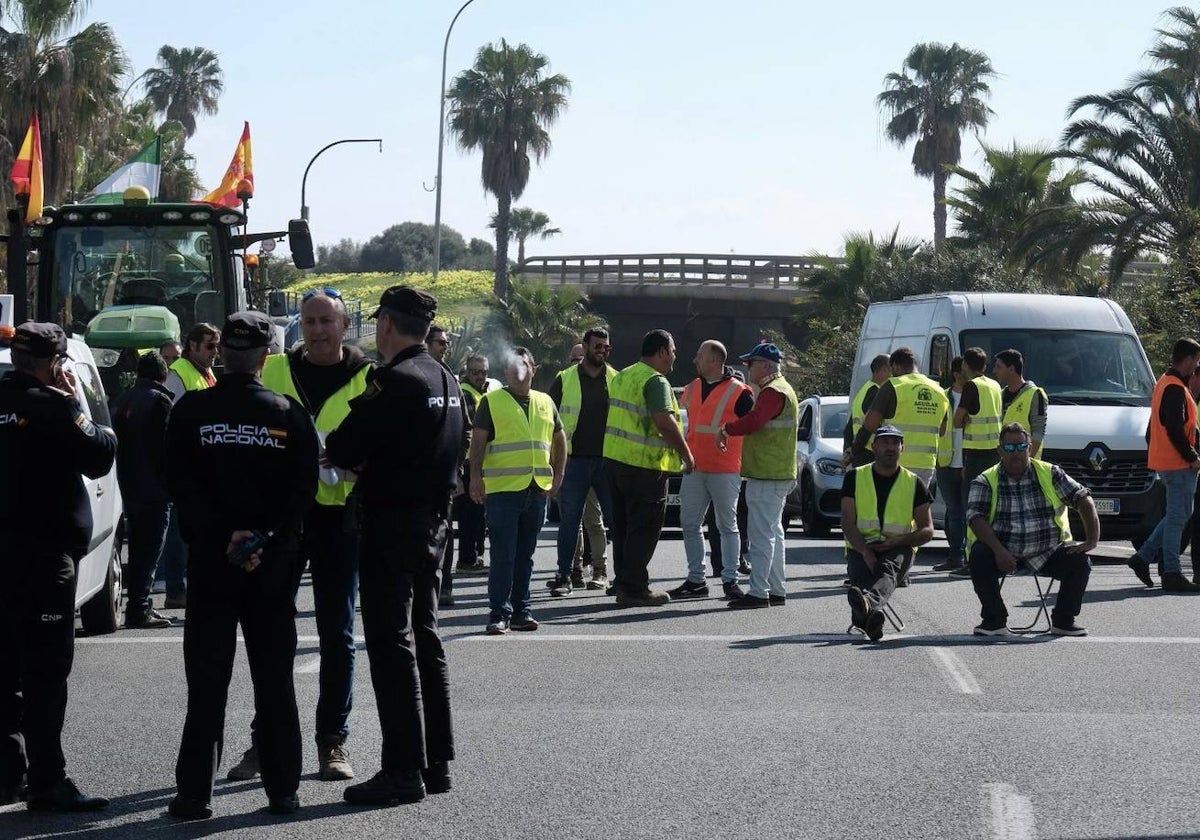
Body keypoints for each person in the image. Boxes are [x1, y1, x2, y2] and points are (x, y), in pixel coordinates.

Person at [166, 312, 319, 820]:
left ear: (222, 355)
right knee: (274, 679)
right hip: (270, 566)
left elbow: (179, 487)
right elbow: (303, 491)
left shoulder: (191, 411)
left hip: (212, 564)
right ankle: (282, 790)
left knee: (207, 682)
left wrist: (222, 537)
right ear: (264, 357)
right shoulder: (288, 413)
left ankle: (193, 794)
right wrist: (261, 537)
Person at [325, 285, 467, 807]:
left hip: (392, 524)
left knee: (391, 645)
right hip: (431, 524)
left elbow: (343, 445)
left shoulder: (394, 381)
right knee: (425, 638)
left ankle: (402, 768)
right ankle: (436, 761)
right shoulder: (445, 378)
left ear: (385, 324)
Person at [223, 289, 371, 784]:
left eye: (326, 321)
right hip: (281, 518)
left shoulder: (369, 379)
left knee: (338, 634)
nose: (317, 329)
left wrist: (354, 458)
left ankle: (333, 740)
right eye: (309, 320)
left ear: (345, 326)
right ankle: (267, 740)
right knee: (271, 634)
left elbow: (387, 446)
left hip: (338, 519)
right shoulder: (277, 370)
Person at [0, 322, 117, 812]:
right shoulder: (55, 404)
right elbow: (99, 457)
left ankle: (7, 776)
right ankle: (47, 781)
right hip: (45, 559)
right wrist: (83, 412)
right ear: (56, 362)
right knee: (47, 673)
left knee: (3, 667)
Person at [966, 422, 1097, 637]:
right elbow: (975, 518)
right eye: (1009, 448)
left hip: (1048, 552)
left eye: (1020, 447)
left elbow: (1083, 498)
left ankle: (1064, 621)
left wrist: (1091, 541)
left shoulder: (1050, 473)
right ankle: (994, 621)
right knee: (979, 555)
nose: (1015, 453)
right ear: (1000, 451)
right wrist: (999, 551)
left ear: (1029, 448)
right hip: (1004, 552)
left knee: (1080, 562)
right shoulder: (985, 480)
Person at [469, 348, 567, 633]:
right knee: (503, 555)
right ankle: (498, 613)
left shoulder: (545, 401)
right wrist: (475, 477)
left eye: (522, 365)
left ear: (532, 369)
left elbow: (559, 438)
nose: (516, 370)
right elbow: (477, 443)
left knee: (526, 556)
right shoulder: (492, 401)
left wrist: (558, 473)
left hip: (536, 490)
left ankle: (522, 611)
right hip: (503, 491)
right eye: (511, 366)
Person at [604, 329, 694, 607]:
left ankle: (623, 581)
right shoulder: (656, 381)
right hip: (643, 465)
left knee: (623, 527)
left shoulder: (623, 375)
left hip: (614, 461)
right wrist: (687, 455)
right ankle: (634, 588)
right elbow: (664, 421)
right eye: (673, 351)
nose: (675, 357)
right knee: (644, 527)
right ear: (662, 351)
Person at [669, 340, 753, 601]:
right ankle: (696, 580)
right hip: (695, 466)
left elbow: (751, 425)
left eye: (700, 355)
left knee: (727, 526)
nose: (695, 359)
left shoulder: (740, 391)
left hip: (725, 468)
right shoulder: (691, 388)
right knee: (689, 523)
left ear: (715, 361)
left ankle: (730, 580)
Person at [720, 341, 799, 609]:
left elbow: (754, 422)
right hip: (776, 473)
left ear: (765, 365)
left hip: (767, 474)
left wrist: (727, 429)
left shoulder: (772, 392)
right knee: (773, 533)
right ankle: (776, 589)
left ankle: (759, 592)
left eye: (751, 363)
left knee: (762, 535)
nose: (748, 368)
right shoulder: (782, 389)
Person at [842, 425, 934, 641]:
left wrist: (896, 542)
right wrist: (865, 551)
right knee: (863, 574)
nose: (890, 447)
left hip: (899, 548)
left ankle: (867, 603)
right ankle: (871, 617)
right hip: (861, 546)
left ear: (902, 448)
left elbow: (927, 529)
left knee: (886, 568)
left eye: (895, 442)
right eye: (885, 442)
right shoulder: (854, 477)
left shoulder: (914, 483)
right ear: (874, 447)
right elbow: (847, 521)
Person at [546, 328, 615, 596]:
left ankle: (609, 575)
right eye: (597, 346)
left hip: (607, 462)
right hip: (574, 462)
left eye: (606, 347)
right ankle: (565, 576)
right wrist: (553, 462)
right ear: (585, 347)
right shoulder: (564, 380)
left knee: (613, 520)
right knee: (569, 522)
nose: (602, 350)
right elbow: (549, 422)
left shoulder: (616, 379)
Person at [1128, 337, 1200, 592]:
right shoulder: (1175, 388)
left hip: (1166, 461)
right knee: (1177, 518)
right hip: (1178, 463)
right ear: (1189, 359)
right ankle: (1171, 572)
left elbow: (1152, 430)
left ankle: (1143, 557)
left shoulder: (1164, 383)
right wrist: (1191, 456)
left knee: (1175, 515)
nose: (1196, 366)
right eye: (1196, 360)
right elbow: (1173, 428)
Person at [110, 350, 174, 629]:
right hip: (154, 489)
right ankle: (139, 607)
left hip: (125, 486)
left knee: (136, 550)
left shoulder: (122, 399)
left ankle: (140, 604)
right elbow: (167, 448)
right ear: (164, 375)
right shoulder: (160, 401)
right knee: (148, 551)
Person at [160, 323, 221, 610]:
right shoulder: (179, 373)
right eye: (210, 346)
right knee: (179, 532)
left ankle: (190, 585)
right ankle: (176, 589)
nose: (215, 352)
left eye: (217, 345)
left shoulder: (205, 373)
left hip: (205, 465)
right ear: (193, 345)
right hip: (187, 464)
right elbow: (167, 419)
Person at [852, 346, 949, 492]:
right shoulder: (939, 391)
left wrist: (855, 449)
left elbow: (870, 424)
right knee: (916, 509)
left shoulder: (893, 386)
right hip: (926, 464)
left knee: (893, 509)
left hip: (894, 461)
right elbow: (942, 431)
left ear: (895, 366)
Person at [454, 354, 491, 579]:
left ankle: (473, 557)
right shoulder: (466, 393)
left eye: (483, 372)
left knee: (477, 515)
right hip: (469, 463)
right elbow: (469, 429)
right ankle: (467, 559)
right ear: (467, 372)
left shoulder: (482, 393)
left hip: (479, 462)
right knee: (471, 514)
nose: (480, 376)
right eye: (475, 372)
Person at [933, 356, 969, 574]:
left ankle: (959, 555)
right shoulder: (942, 396)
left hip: (968, 462)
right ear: (957, 374)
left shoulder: (979, 395)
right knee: (954, 510)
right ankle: (956, 555)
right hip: (946, 462)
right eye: (966, 371)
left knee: (963, 511)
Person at [954, 346, 1003, 489]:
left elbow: (957, 422)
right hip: (995, 450)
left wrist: (965, 419)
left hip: (975, 453)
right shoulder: (995, 385)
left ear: (965, 364)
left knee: (971, 497)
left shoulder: (971, 386)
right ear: (984, 366)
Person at [994, 348, 1048, 458]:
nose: (995, 371)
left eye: (999, 367)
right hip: (1006, 462)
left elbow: (1038, 433)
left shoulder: (1035, 394)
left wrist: (1027, 462)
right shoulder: (1001, 394)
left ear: (1011, 369)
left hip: (1024, 464)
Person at [843, 353, 891, 468]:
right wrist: (853, 451)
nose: (893, 375)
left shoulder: (864, 390)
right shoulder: (876, 393)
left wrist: (849, 451)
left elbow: (849, 427)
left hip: (861, 453)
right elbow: (869, 426)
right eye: (891, 370)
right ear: (884, 369)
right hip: (870, 453)